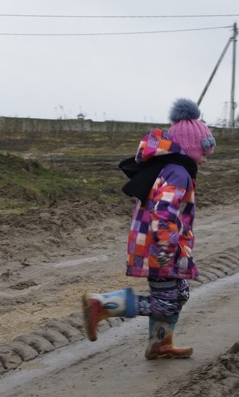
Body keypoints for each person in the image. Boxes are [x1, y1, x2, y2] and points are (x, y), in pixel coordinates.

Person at [82, 98, 215, 359]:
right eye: (203, 154)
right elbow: (163, 212)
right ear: (189, 149)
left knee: (179, 293)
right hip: (161, 247)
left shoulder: (171, 168)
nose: (205, 161)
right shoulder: (178, 173)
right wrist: (166, 247)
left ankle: (161, 342)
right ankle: (102, 305)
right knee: (166, 301)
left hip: (164, 245)